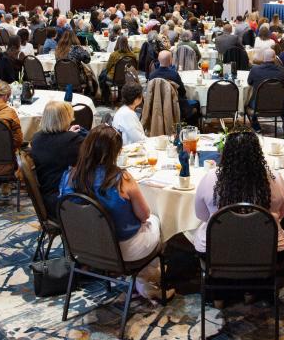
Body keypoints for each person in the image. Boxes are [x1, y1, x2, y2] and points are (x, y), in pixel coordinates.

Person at [59, 125, 164, 299]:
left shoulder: (69, 176)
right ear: (115, 152)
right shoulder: (121, 178)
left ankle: (138, 278)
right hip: (121, 251)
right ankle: (147, 281)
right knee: (155, 219)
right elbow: (144, 215)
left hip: (82, 246)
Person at [193, 128, 284, 253]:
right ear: (258, 153)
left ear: (226, 153)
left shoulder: (210, 177)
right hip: (267, 249)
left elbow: (201, 215)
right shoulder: (275, 177)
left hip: (217, 250)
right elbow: (283, 212)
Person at [31, 102, 87, 215]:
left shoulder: (36, 139)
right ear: (65, 118)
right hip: (66, 199)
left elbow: (56, 145)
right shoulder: (73, 141)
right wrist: (71, 135)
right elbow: (92, 160)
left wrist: (68, 134)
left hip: (47, 196)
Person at [246, 48, 284, 131]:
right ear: (274, 58)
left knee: (246, 104)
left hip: (258, 105)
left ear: (263, 58)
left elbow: (249, 83)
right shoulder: (282, 70)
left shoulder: (255, 70)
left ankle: (256, 126)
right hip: (279, 105)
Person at [149, 50, 199, 123]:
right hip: (175, 106)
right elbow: (182, 92)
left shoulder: (152, 75)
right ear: (170, 60)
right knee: (196, 103)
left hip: (157, 106)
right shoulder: (174, 74)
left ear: (159, 60)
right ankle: (192, 128)